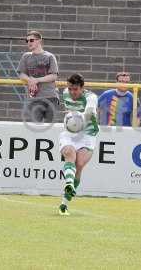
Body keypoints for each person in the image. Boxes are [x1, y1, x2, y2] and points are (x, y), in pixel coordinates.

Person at [59, 74, 99, 216]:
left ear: (82, 88)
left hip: (88, 133)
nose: (72, 92)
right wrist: (71, 118)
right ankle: (69, 184)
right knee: (69, 153)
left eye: (75, 89)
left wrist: (79, 119)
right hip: (70, 132)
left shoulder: (91, 97)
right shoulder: (65, 93)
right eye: (70, 89)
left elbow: (89, 112)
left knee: (80, 164)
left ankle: (64, 203)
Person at [18, 31, 59, 123]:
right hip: (34, 98)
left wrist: (36, 80)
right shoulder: (26, 56)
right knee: (35, 127)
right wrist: (30, 80)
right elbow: (21, 74)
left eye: (31, 40)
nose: (29, 43)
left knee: (50, 127)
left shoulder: (49, 56)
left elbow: (54, 75)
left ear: (39, 41)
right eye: (27, 41)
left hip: (50, 96)